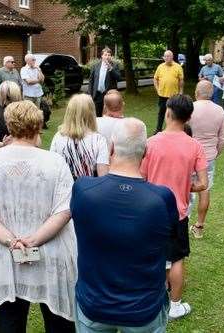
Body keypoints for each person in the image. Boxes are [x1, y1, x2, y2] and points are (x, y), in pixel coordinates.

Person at [0, 101, 77, 333]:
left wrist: (13, 241)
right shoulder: (55, 162)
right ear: (38, 124)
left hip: (7, 253)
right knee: (59, 323)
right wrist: (33, 240)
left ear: (9, 125)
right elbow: (64, 210)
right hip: (51, 251)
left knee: (10, 320)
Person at [72, 118, 174, 332]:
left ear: (111, 147)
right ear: (145, 152)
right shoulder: (162, 198)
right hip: (143, 309)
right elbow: (169, 238)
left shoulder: (83, 190)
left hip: (94, 304)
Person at [141, 94, 208, 319]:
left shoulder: (150, 143)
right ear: (188, 118)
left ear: (168, 112)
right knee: (177, 258)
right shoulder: (194, 146)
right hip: (177, 212)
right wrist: (185, 185)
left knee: (151, 256)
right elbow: (203, 183)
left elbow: (141, 178)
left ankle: (151, 299)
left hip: (150, 210)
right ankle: (175, 304)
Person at [188, 81, 224, 239]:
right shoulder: (219, 110)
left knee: (185, 187)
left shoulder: (190, 108)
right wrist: (216, 153)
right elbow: (223, 138)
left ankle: (182, 220)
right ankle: (199, 225)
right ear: (211, 93)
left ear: (197, 92)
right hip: (208, 156)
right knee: (205, 190)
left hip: (189, 154)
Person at [50, 94, 109, 179]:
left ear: (69, 112)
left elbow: (53, 168)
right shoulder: (98, 140)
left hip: (64, 188)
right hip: (88, 189)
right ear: (91, 113)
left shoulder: (58, 136)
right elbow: (103, 176)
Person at [154, 50, 184, 133]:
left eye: (168, 56)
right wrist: (157, 89)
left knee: (173, 113)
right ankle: (158, 129)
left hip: (174, 95)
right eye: (165, 56)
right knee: (161, 112)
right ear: (163, 57)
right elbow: (155, 79)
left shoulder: (178, 67)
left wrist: (181, 92)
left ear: (172, 57)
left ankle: (172, 129)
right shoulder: (160, 67)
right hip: (162, 95)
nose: (166, 58)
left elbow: (181, 80)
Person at [88, 47, 121, 117]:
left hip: (109, 95)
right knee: (97, 116)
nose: (107, 56)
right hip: (97, 95)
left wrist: (111, 69)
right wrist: (90, 94)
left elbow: (119, 78)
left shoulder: (114, 65)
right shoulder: (95, 66)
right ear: (102, 56)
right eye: (105, 55)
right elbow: (91, 81)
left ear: (111, 56)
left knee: (109, 115)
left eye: (109, 55)